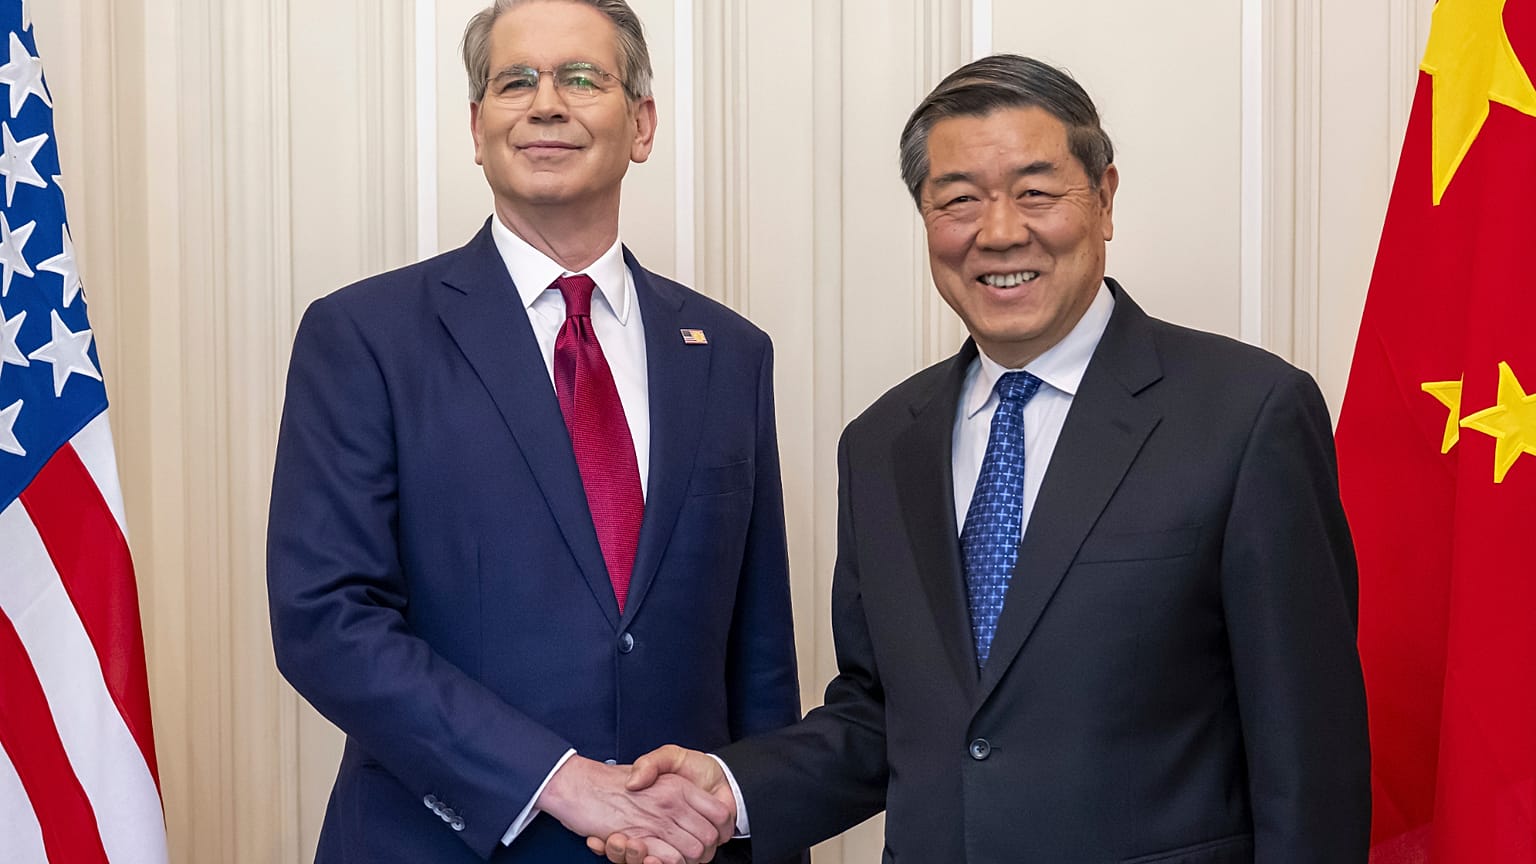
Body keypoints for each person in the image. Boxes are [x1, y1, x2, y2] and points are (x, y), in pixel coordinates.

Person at [601, 54, 1370, 864]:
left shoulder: (1247, 415)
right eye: (959, 200)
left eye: (1036, 192)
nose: (999, 232)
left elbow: (1308, 758)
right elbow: (885, 717)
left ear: (1105, 200)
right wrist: (731, 791)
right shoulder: (882, 444)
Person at [266, 2, 802, 862]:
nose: (546, 103)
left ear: (642, 124)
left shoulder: (731, 353)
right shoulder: (365, 335)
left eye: (582, 79)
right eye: (515, 82)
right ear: (477, 129)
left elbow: (760, 655)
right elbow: (325, 621)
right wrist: (557, 779)